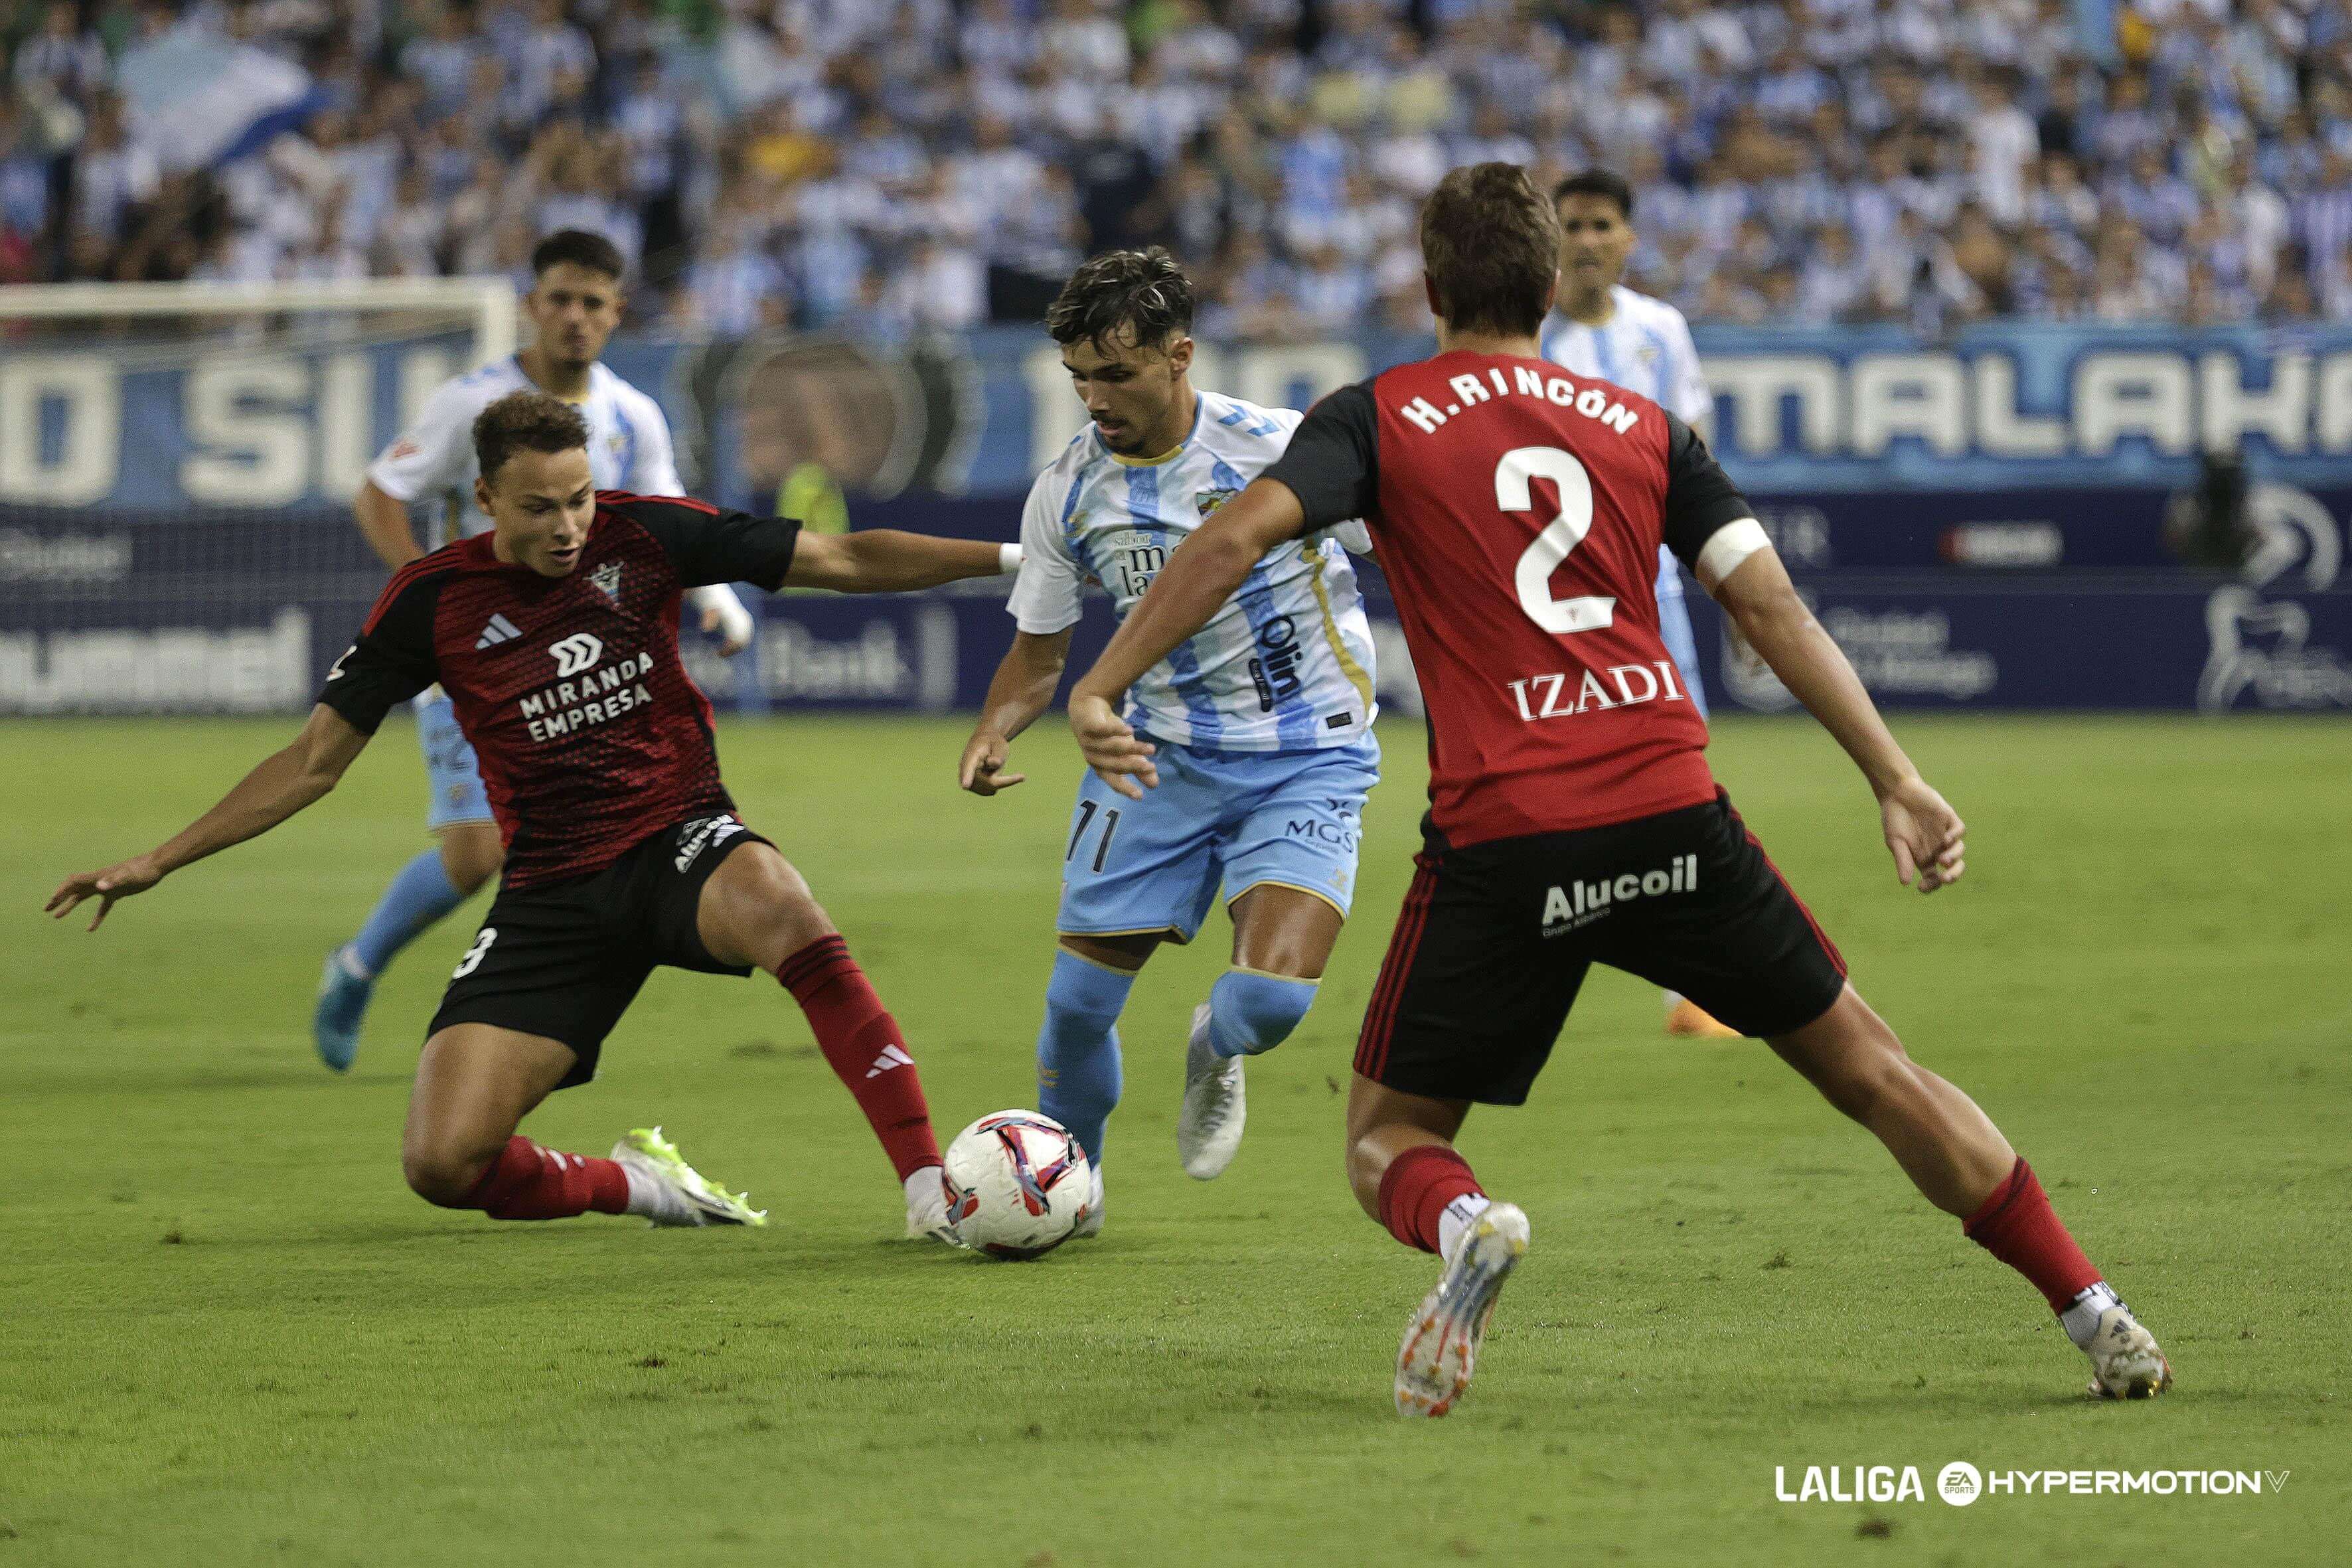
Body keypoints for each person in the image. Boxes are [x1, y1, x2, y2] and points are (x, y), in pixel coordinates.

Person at [1061, 164, 2171, 1417]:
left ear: (1427, 288)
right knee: (1875, 1070)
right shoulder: (1643, 425)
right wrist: (1896, 778)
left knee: (1386, 1137)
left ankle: (1467, 1223)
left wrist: (1103, 684)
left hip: (1506, 835)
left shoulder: (1373, 418)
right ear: (1550, 286)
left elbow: (1226, 540)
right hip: (1669, 812)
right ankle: (2093, 1309)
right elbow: (1768, 604)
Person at [51, 392, 1023, 1244]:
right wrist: (158, 858)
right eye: (539, 507)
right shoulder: (431, 603)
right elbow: (311, 763)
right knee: (442, 1162)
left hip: (678, 840)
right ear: (485, 499)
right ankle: (641, 1186)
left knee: (783, 903)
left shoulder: (645, 535)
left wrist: (1021, 557)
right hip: (552, 894)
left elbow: (845, 556)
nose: (568, 527)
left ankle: (927, 1189)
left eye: (579, 498)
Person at [957, 248, 1380, 1230]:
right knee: (1076, 1008)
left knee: (1268, 1005)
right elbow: (1037, 656)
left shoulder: (1282, 448)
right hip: (1155, 759)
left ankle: (1214, 1049)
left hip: (1308, 753)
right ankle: (1074, 1195)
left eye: (1116, 373)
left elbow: (1396, 544)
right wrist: (994, 727)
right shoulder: (1068, 489)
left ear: (1179, 354)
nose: (1094, 398)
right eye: (1079, 377)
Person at [314, 228, 757, 1071]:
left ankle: (534, 1022)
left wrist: (718, 596)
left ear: (616, 313)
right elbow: (380, 493)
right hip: (478, 663)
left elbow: (671, 518)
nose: (574, 317)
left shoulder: (632, 414)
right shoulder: (471, 404)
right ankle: (361, 966)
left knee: (575, 840)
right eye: (559, 299)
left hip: (580, 669)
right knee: (477, 851)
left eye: (592, 302)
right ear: (532, 305)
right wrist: (434, 603)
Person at [1543, 169, 1735, 1040]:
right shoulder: (1525, 337)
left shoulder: (1661, 330)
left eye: (1601, 225)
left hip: (1648, 586)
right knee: (1558, 779)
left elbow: (1694, 458)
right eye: (1572, 225)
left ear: (1628, 238)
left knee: (1678, 768)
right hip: (1551, 598)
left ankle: (1690, 987)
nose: (1586, 241)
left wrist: (1726, 577)